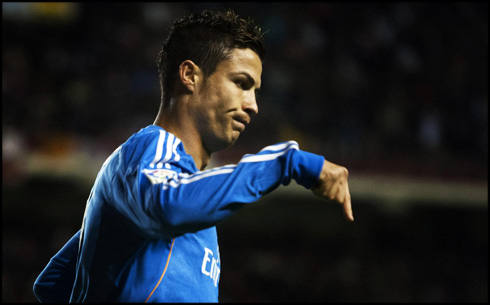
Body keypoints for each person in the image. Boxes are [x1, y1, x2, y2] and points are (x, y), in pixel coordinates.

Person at [33, 8, 353, 303]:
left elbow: (54, 283)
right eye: (241, 83)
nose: (253, 104)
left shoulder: (185, 197)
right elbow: (168, 205)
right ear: (190, 76)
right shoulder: (150, 150)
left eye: (255, 91)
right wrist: (287, 162)